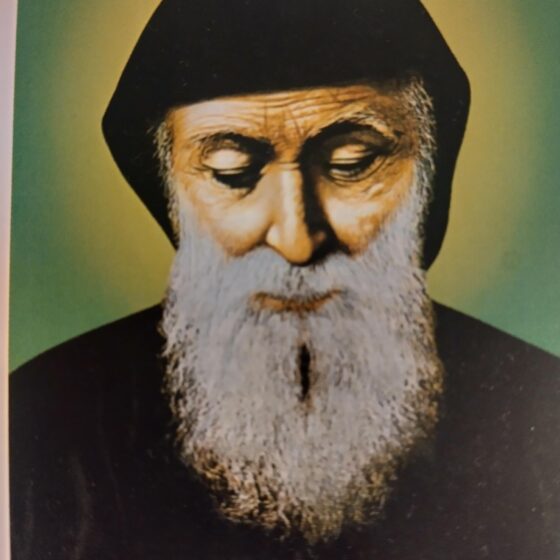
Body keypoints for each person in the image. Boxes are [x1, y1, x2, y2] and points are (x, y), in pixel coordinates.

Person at [10, 1, 560, 559]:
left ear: (428, 174)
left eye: (351, 163)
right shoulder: (43, 419)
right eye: (232, 173)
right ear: (170, 191)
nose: (296, 240)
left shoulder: (543, 411)